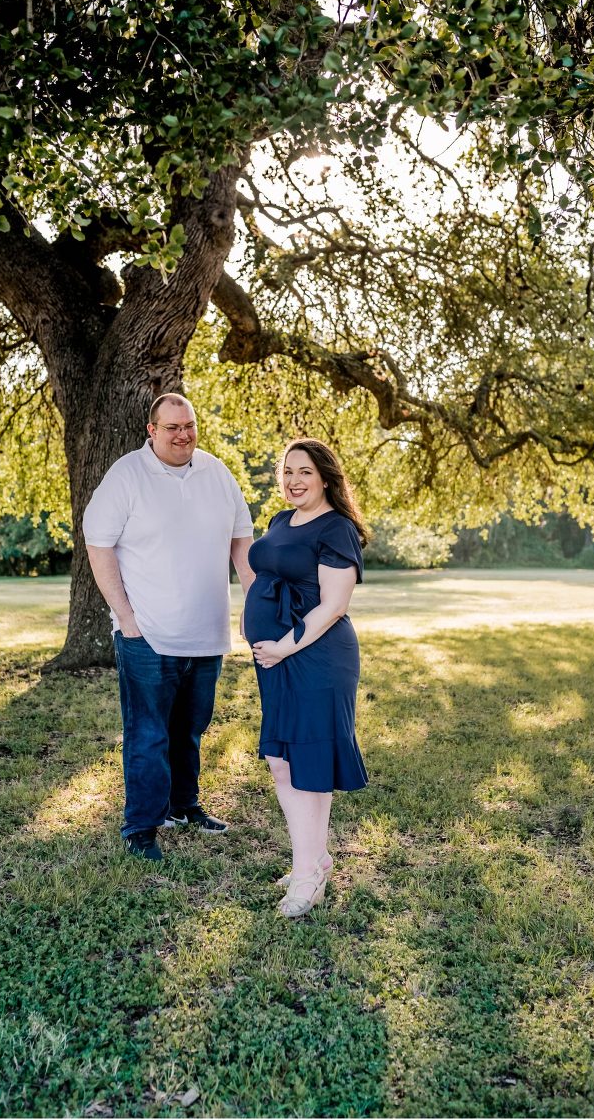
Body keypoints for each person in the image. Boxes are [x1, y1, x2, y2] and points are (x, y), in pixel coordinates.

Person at [83, 393, 254, 861]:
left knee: (191, 728)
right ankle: (141, 826)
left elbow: (243, 541)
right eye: (172, 426)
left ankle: (183, 806)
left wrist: (253, 602)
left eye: (190, 425)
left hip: (207, 632)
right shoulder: (127, 475)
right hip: (148, 635)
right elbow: (98, 544)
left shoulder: (217, 473)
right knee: (149, 733)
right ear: (151, 430)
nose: (183, 434)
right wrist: (127, 618)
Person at [243, 438, 369, 918]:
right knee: (281, 759)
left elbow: (334, 605)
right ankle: (312, 858)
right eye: (288, 472)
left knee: (307, 763)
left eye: (305, 473)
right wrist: (250, 619)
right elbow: (268, 576)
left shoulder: (337, 528)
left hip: (314, 657)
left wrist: (283, 644)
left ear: (325, 478)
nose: (294, 481)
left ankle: (307, 874)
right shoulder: (280, 520)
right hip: (275, 657)